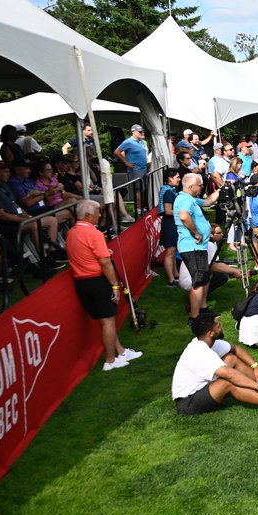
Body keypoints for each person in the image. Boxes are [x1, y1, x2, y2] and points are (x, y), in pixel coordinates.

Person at [171, 312, 258, 415]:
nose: (221, 327)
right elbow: (228, 374)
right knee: (226, 383)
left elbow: (235, 349)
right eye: (218, 325)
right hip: (187, 402)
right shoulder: (199, 351)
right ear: (210, 333)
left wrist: (256, 366)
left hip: (203, 389)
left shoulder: (209, 342)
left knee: (231, 358)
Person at [66, 200, 141, 372]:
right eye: (97, 212)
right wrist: (114, 286)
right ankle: (110, 360)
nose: (100, 215)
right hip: (97, 281)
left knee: (106, 321)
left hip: (82, 282)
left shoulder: (71, 232)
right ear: (87, 215)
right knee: (108, 321)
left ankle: (121, 352)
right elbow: (105, 262)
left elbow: (90, 254)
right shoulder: (94, 234)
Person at [174, 172, 221, 319]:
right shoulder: (184, 200)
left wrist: (223, 188)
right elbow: (183, 216)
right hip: (192, 246)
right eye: (200, 185)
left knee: (204, 278)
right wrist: (196, 233)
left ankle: (203, 308)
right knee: (199, 281)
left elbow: (207, 202)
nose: (201, 187)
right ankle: (195, 317)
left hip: (197, 247)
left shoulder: (191, 199)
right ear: (191, 186)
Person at [114, 124, 149, 210]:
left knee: (143, 189)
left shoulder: (141, 142)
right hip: (135, 170)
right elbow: (117, 152)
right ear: (134, 132)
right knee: (138, 189)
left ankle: (142, 206)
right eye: (140, 131)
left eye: (142, 131)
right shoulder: (128, 141)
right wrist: (126, 162)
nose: (141, 133)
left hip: (144, 168)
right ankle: (138, 208)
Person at [159, 169, 181, 286]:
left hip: (173, 225)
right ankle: (171, 280)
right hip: (169, 225)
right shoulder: (168, 192)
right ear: (170, 178)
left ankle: (176, 275)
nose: (179, 179)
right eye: (177, 177)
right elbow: (167, 211)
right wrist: (182, 212)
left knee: (173, 251)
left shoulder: (171, 190)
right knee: (170, 252)